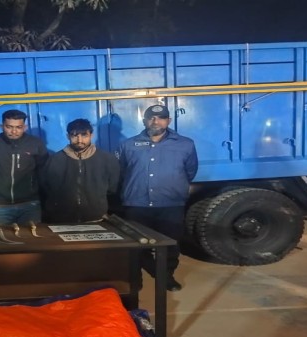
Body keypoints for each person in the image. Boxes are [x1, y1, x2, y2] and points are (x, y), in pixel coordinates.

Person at [118, 104, 198, 291]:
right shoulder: (128, 145)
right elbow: (121, 172)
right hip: (137, 205)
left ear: (168, 120)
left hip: (170, 204)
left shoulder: (186, 144)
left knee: (170, 245)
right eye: (151, 118)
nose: (156, 121)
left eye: (161, 118)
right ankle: (141, 277)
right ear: (144, 121)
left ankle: (166, 277)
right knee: (137, 246)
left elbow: (190, 171)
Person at [0, 109, 48, 225]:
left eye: (18, 127)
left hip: (30, 204)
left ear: (25, 127)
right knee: (0, 236)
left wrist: (33, 187)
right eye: (9, 127)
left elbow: (44, 170)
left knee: (32, 236)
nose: (14, 131)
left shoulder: (35, 143)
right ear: (2, 126)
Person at [41, 119, 120, 223]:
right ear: (68, 136)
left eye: (84, 135)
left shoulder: (107, 159)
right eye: (75, 136)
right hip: (61, 220)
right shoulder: (55, 160)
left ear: (91, 135)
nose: (79, 140)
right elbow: (46, 187)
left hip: (96, 219)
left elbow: (112, 189)